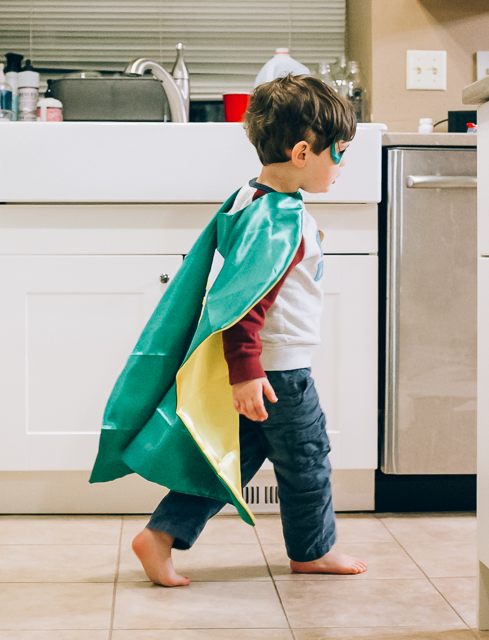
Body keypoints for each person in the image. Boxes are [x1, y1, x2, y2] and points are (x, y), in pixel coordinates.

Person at [89, 74, 368, 586]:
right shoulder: (277, 219)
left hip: (259, 371)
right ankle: (312, 550)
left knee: (226, 462)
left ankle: (160, 536)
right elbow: (245, 304)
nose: (342, 166)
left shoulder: (251, 199)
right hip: (278, 372)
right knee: (308, 461)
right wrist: (247, 372)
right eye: (340, 153)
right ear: (304, 152)